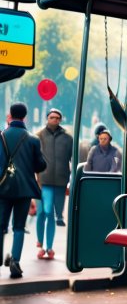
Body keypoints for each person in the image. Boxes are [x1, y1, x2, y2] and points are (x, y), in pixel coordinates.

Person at [0, 102, 47, 278]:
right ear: (25, 117)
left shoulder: (1, 136)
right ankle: (15, 261)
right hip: (24, 189)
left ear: (10, 115)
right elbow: (40, 165)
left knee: (1, 225)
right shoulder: (33, 139)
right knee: (19, 226)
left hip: (2, 188)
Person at [36, 108, 73, 259]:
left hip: (61, 180)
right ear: (47, 118)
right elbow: (34, 159)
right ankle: (41, 242)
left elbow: (73, 159)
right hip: (43, 181)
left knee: (56, 214)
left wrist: (71, 181)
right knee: (45, 212)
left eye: (58, 118)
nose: (55, 120)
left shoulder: (68, 138)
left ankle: (48, 247)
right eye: (52, 117)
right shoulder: (39, 136)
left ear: (60, 120)